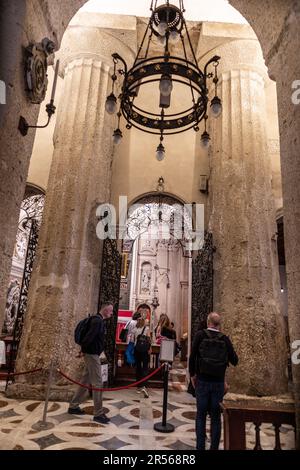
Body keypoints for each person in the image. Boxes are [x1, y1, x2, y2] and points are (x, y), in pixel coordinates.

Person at [189, 312, 238, 450]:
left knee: (201, 416)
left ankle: (200, 447)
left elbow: (192, 357)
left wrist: (193, 376)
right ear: (219, 324)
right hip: (218, 384)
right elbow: (235, 360)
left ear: (208, 321)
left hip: (202, 381)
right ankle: (214, 448)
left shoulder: (200, 335)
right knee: (216, 418)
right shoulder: (225, 339)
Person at [68, 302, 114, 424]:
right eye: (110, 311)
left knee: (85, 380)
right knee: (98, 383)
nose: (111, 313)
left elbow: (91, 338)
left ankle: (73, 406)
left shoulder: (97, 320)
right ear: (105, 310)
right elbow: (89, 337)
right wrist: (83, 350)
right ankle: (98, 413)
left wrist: (83, 351)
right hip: (92, 355)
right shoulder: (98, 321)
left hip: (92, 353)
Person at [133, 317, 151, 398]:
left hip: (137, 350)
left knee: (138, 368)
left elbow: (133, 340)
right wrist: (150, 348)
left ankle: (138, 387)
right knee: (145, 367)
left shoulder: (135, 329)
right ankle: (144, 386)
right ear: (144, 322)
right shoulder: (146, 329)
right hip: (144, 350)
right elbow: (149, 339)